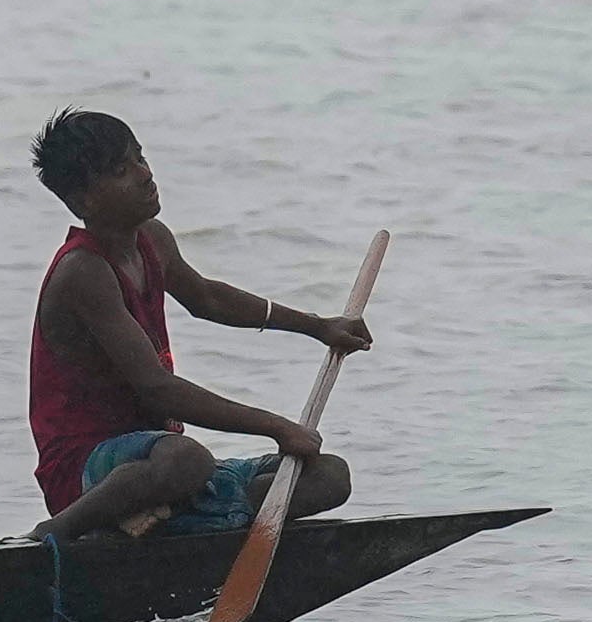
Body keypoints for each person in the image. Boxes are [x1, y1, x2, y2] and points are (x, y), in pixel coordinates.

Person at [26, 107, 374, 542]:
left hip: (157, 458)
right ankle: (61, 531)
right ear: (85, 200)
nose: (144, 174)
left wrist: (317, 326)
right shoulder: (84, 271)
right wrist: (277, 426)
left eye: (140, 157)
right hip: (85, 471)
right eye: (121, 170)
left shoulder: (153, 239)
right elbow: (158, 389)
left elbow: (207, 297)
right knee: (186, 460)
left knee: (328, 476)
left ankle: (173, 520)